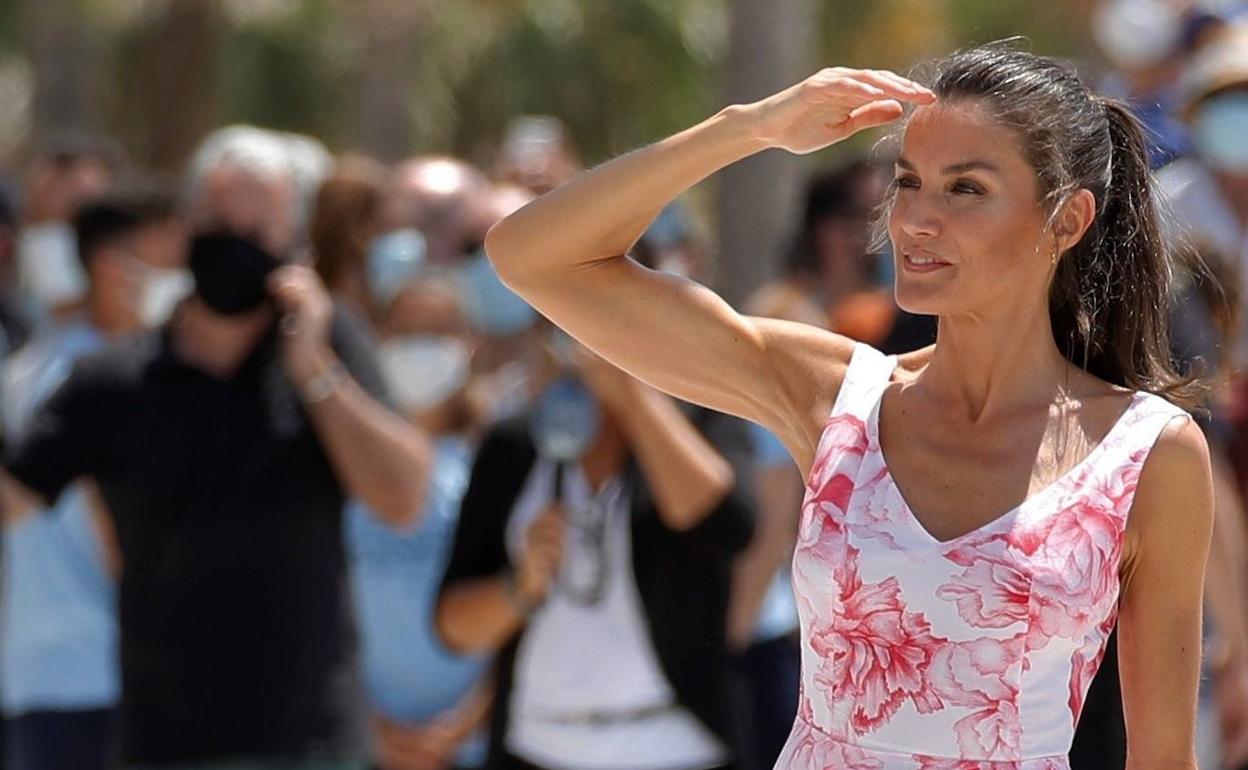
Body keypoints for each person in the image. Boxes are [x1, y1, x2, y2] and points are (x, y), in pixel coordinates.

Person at [482, 43, 1215, 769]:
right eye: (907, 182)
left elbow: (1162, 758)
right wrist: (748, 128)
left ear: (1066, 220)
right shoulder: (835, 397)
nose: (915, 220)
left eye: (965, 189)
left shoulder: (1148, 453)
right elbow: (533, 257)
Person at [0, 127, 431, 769]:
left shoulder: (330, 342)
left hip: (315, 741)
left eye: (257, 231)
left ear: (292, 246)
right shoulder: (116, 378)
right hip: (169, 744)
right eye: (217, 220)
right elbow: (15, 497)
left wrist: (313, 366)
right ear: (185, 229)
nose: (234, 239)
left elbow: (402, 499)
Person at [436, 324, 755, 770]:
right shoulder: (512, 446)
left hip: (676, 748)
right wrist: (520, 588)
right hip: (535, 747)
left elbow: (730, 527)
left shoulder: (699, 421)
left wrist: (632, 392)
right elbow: (453, 626)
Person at [0, 182, 183, 770]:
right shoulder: (92, 382)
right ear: (111, 267)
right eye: (170, 262)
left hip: (53, 680)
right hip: (99, 684)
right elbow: (120, 534)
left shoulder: (28, 371)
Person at [347, 273, 493, 770]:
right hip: (364, 742)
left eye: (436, 333)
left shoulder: (494, 462)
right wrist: (368, 724)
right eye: (405, 333)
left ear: (469, 345)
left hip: (471, 745)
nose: (418, 348)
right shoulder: (347, 464)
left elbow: (525, 603)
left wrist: (459, 728)